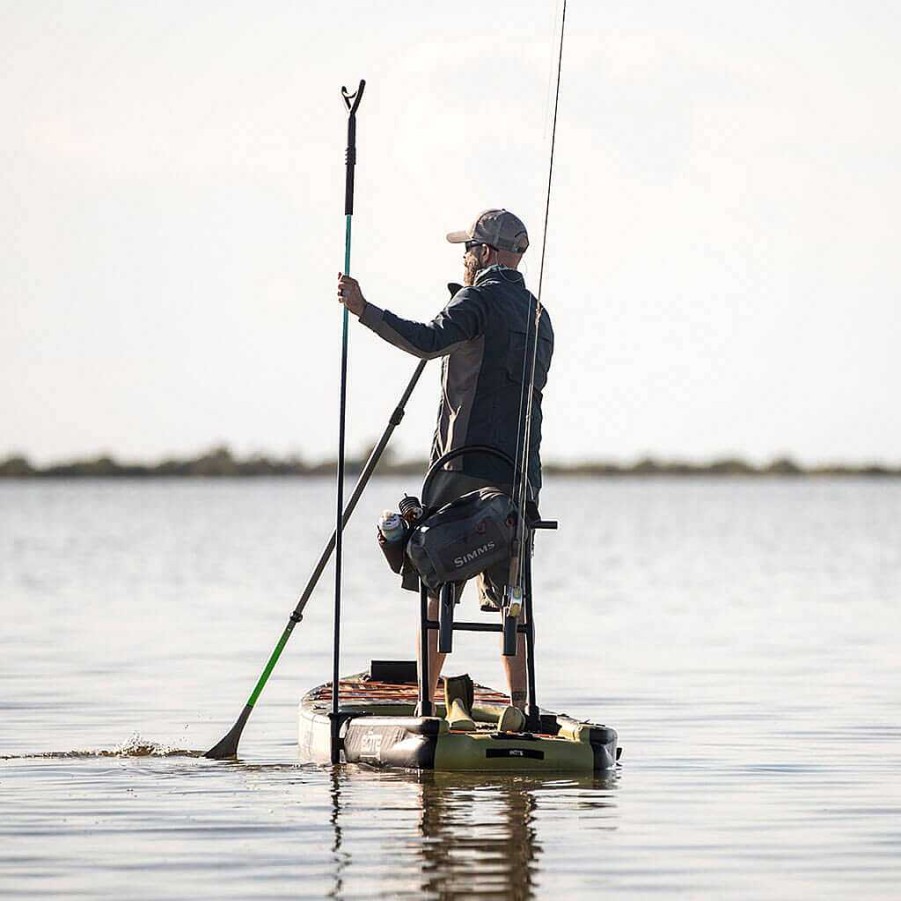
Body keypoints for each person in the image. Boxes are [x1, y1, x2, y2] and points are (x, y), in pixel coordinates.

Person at [336, 208, 554, 722]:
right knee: (512, 596)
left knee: (435, 583)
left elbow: (428, 342)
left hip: (459, 472)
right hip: (518, 479)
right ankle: (519, 706)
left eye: (467, 249)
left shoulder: (474, 300)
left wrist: (364, 309)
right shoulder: (540, 315)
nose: (463, 257)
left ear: (485, 253)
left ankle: (426, 705)